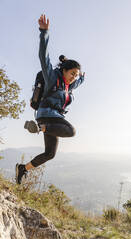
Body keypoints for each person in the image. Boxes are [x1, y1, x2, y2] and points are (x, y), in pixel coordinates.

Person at [15, 14, 85, 184]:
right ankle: (40, 127)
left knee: (50, 154)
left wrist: (80, 74)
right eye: (72, 73)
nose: (73, 77)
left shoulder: (70, 86)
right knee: (71, 131)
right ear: (64, 70)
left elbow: (81, 79)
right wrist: (44, 32)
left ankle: (22, 168)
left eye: (75, 75)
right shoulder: (52, 77)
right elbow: (43, 56)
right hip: (46, 115)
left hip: (54, 120)